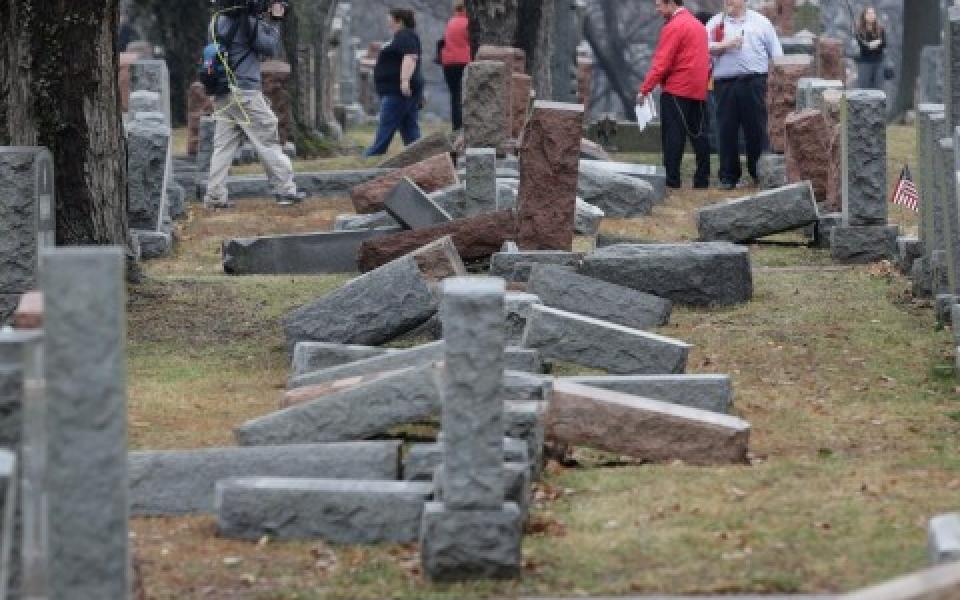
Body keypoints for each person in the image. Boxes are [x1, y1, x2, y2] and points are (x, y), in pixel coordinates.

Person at [203, 0, 305, 208]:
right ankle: (286, 191)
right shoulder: (248, 23)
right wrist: (275, 20)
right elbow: (270, 47)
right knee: (267, 140)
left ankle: (214, 197)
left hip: (223, 93)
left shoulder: (216, 21)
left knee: (223, 147)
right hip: (245, 93)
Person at [706, 0, 782, 190]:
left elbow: (777, 54)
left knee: (756, 129)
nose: (727, 2)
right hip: (725, 85)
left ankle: (758, 172)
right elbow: (702, 49)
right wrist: (724, 45)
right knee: (726, 131)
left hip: (754, 83)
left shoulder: (761, 23)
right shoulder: (715, 23)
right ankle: (728, 175)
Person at [637, 0, 711, 190]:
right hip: (698, 90)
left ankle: (672, 181)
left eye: (659, 5)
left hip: (676, 90)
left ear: (671, 3)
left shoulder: (674, 27)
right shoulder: (699, 26)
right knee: (699, 136)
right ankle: (702, 180)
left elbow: (662, 63)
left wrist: (645, 89)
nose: (657, 9)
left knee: (673, 138)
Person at [364, 8, 424, 157]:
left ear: (399, 21)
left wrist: (404, 81)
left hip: (397, 91)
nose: (388, 22)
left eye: (390, 19)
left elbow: (410, 58)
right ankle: (419, 156)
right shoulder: (402, 37)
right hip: (400, 91)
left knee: (387, 125)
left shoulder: (405, 36)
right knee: (410, 129)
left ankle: (373, 154)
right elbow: (395, 62)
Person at [440, 1, 471, 132]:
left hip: (449, 63)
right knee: (466, 94)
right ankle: (466, 126)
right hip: (464, 61)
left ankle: (456, 126)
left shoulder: (451, 22)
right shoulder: (468, 23)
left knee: (455, 96)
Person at [855, 6, 886, 90]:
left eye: (873, 13)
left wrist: (871, 45)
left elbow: (884, 44)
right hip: (865, 62)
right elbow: (864, 47)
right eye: (869, 13)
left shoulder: (881, 29)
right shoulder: (859, 30)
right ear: (864, 16)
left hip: (879, 61)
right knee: (864, 88)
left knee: (878, 88)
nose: (871, 15)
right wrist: (876, 43)